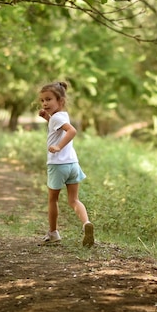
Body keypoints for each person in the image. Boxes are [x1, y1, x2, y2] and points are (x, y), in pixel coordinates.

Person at [38, 81, 94, 247]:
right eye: (42, 100)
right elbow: (57, 127)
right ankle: (86, 224)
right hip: (73, 164)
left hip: (57, 165)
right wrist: (47, 118)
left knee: (52, 200)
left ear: (60, 101)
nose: (45, 103)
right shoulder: (61, 116)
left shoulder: (57, 118)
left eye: (48, 99)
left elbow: (72, 131)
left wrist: (58, 146)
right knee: (74, 200)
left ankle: (53, 233)